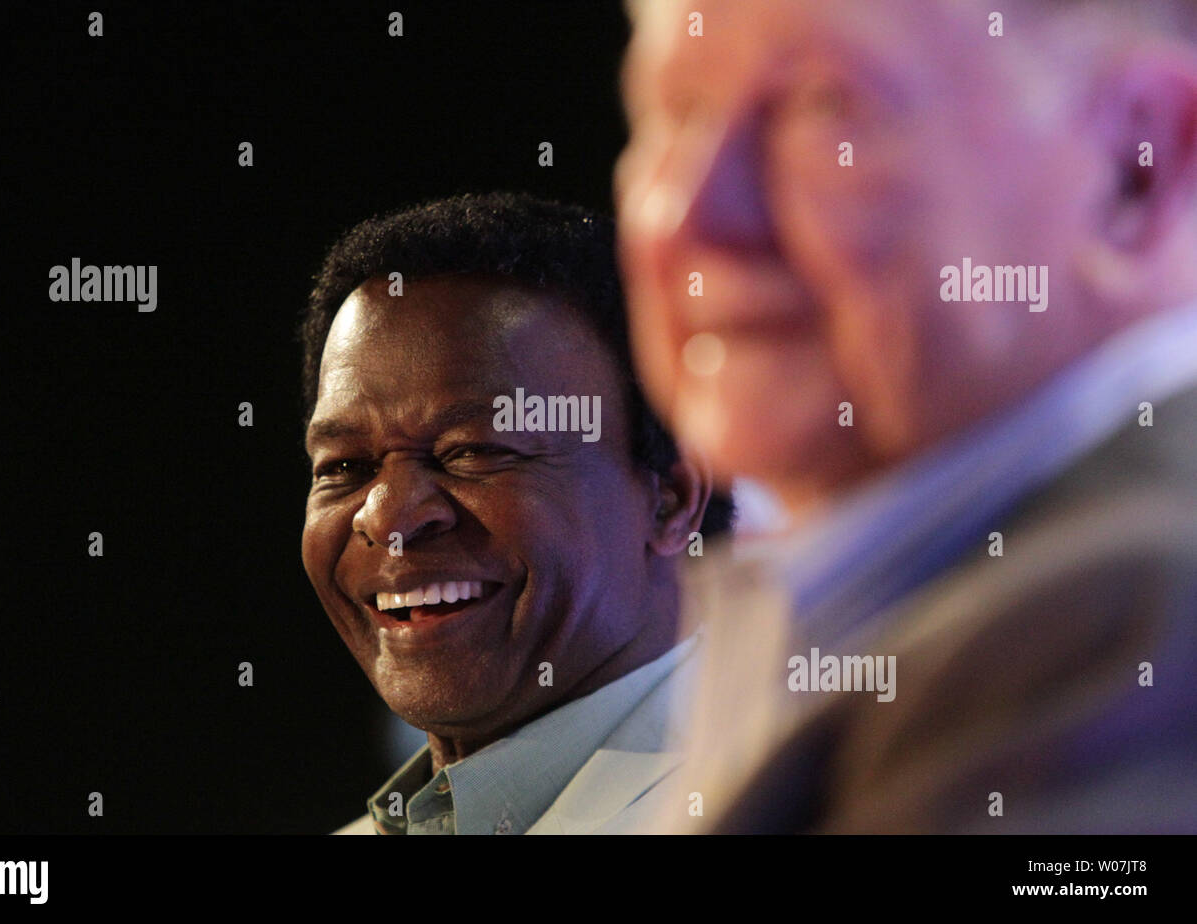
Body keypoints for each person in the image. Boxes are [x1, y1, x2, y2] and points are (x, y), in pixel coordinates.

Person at [615, 0, 1197, 832]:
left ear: (1138, 164)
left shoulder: (1134, 626)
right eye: (676, 112)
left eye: (828, 106)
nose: (689, 216)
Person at [299, 191, 731, 834]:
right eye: (345, 467)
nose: (387, 519)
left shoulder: (797, 802)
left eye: (474, 451)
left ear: (670, 499)